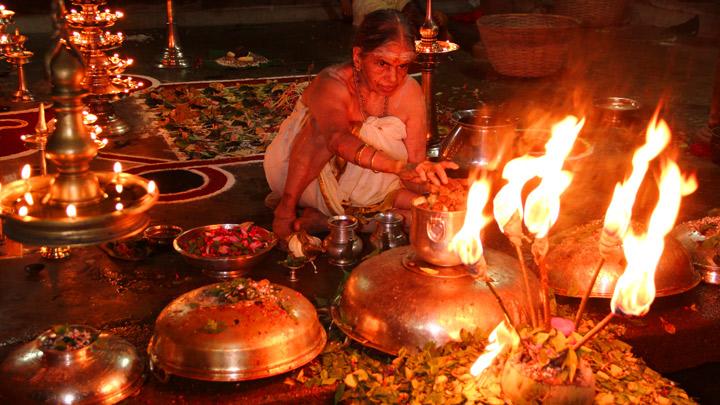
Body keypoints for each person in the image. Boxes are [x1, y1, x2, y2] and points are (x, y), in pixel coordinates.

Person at [264, 9, 457, 241]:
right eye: (382, 63)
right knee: (322, 129)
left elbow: (411, 170)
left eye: (403, 66)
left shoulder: (410, 92)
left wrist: (438, 188)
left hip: (380, 186)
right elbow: (336, 139)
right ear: (358, 57)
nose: (393, 78)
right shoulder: (333, 83)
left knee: (432, 217)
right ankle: (288, 206)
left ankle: (327, 222)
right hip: (305, 179)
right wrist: (397, 167)